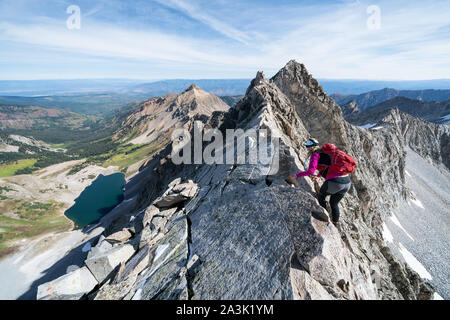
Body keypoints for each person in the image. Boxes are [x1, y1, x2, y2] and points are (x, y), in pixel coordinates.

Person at [289, 138, 355, 228]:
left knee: (321, 196)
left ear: (310, 147)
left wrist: (295, 175)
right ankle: (336, 224)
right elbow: (328, 166)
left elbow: (311, 171)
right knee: (334, 203)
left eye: (308, 146)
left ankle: (324, 219)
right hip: (347, 182)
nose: (307, 148)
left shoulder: (315, 155)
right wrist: (319, 176)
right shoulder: (326, 153)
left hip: (335, 182)